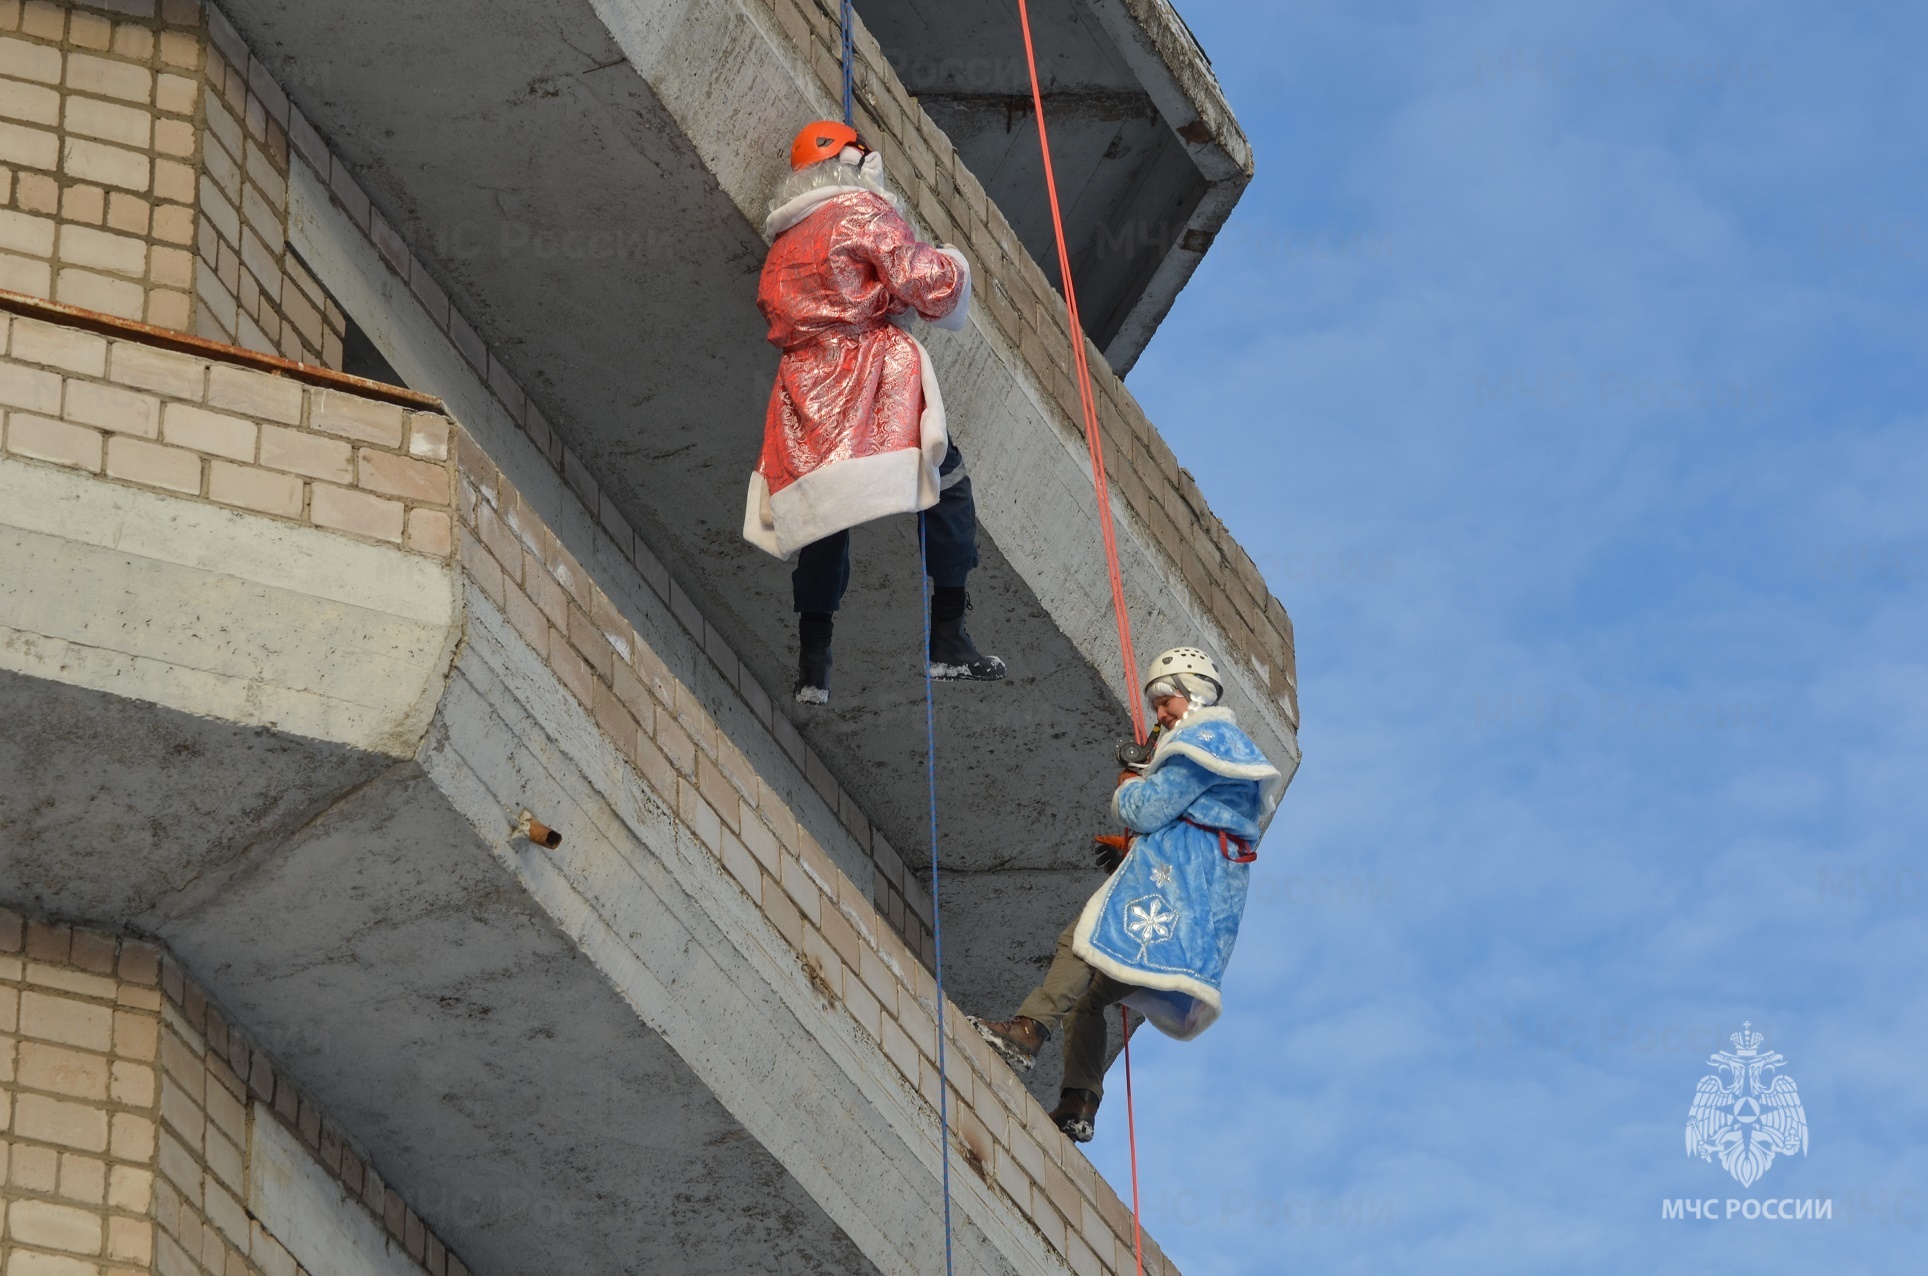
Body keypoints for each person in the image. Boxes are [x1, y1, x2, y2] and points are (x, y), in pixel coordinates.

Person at [970, 646, 1284, 1141]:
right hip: (1193, 906)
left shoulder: (1203, 743)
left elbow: (1146, 808)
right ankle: (1079, 1101)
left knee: (1078, 944)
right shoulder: (1225, 751)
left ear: (1194, 693)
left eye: (1166, 702)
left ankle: (1027, 1033)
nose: (1160, 714)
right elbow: (1191, 827)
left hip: (1168, 890)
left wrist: (1129, 787)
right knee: (1089, 996)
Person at [743, 121, 1005, 703]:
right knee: (946, 483)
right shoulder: (860, 208)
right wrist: (954, 264)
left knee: (824, 513)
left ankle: (814, 661)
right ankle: (948, 638)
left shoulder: (785, 242)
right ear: (849, 161)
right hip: (867, 376)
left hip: (804, 385)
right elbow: (923, 282)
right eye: (864, 152)